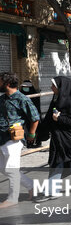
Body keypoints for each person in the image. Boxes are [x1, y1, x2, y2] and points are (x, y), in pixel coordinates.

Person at [35, 76, 71, 202]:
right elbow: (48, 117)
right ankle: (53, 190)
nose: (51, 88)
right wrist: (39, 131)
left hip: (70, 138)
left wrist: (60, 118)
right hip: (58, 138)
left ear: (61, 88)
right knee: (57, 162)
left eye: (53, 86)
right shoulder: (56, 99)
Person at [0, 72, 39, 208]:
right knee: (3, 168)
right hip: (2, 138)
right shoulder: (3, 98)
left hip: (14, 139)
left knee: (11, 168)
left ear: (8, 83)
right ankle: (32, 186)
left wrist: (31, 135)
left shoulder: (22, 99)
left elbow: (34, 118)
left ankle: (12, 198)